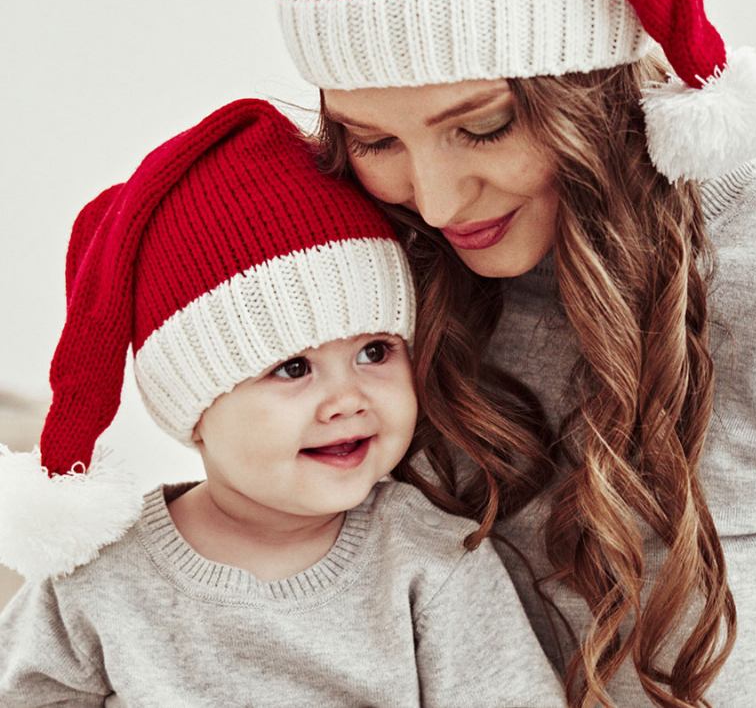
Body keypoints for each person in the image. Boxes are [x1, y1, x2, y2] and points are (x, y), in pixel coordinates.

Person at [277, 0, 756, 708]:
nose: (432, 202)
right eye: (373, 140)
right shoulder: (363, 278)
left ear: (588, 91)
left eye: (477, 127)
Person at [0, 98, 566, 707]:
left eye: (375, 351)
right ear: (195, 408)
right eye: (293, 369)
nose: (348, 398)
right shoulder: (97, 578)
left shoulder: (432, 564)